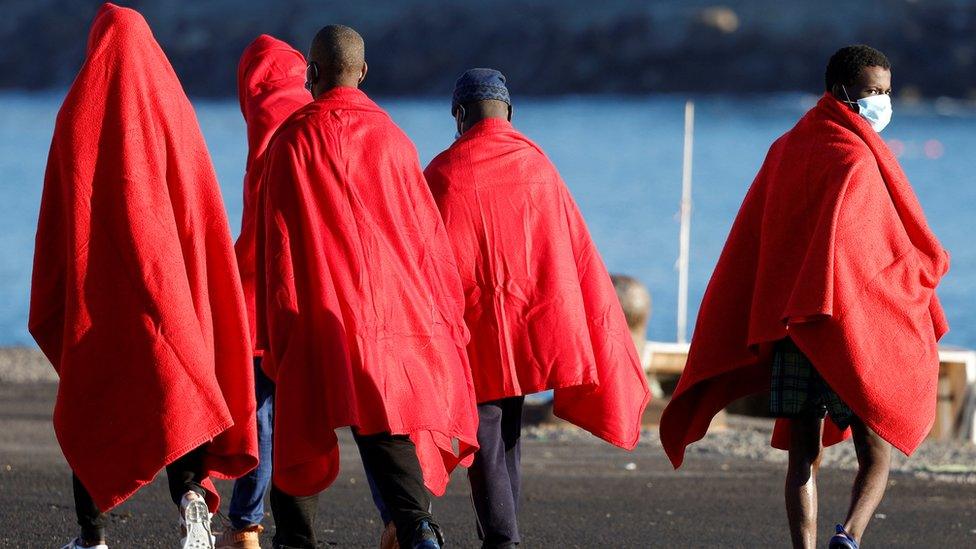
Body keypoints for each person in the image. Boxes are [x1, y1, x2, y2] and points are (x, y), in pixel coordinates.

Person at [659, 45, 949, 549]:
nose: (882, 101)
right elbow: (877, 256)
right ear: (841, 91)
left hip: (794, 330)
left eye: (887, 91)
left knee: (801, 457)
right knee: (875, 453)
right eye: (873, 91)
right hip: (847, 332)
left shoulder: (786, 148)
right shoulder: (858, 157)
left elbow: (763, 244)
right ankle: (850, 536)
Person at [29, 4, 258, 549]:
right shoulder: (173, 108)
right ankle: (192, 501)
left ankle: (93, 537)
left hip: (101, 293)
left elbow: (62, 215)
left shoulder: (75, 110)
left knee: (95, 399)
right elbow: (198, 209)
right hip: (169, 290)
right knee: (177, 381)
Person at [257, 25, 479, 549]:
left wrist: (278, 325)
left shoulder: (290, 140)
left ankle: (295, 539)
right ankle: (418, 529)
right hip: (389, 310)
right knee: (385, 424)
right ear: (363, 73)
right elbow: (426, 238)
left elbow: (280, 247)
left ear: (311, 73)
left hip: (318, 310)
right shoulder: (394, 140)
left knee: (299, 428)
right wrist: (444, 314)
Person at [424, 68, 651, 549]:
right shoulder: (538, 167)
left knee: (487, 428)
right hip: (530, 323)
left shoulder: (442, 173)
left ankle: (503, 538)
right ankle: (502, 535)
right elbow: (575, 255)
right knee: (506, 427)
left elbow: (420, 259)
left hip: (471, 329)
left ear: (459, 115)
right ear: (508, 111)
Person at [215, 34, 311, 549]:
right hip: (319, 290)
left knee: (263, 410)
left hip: (265, 292)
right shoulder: (312, 112)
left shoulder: (264, 124)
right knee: (362, 418)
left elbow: (261, 224)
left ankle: (248, 523)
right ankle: (400, 516)